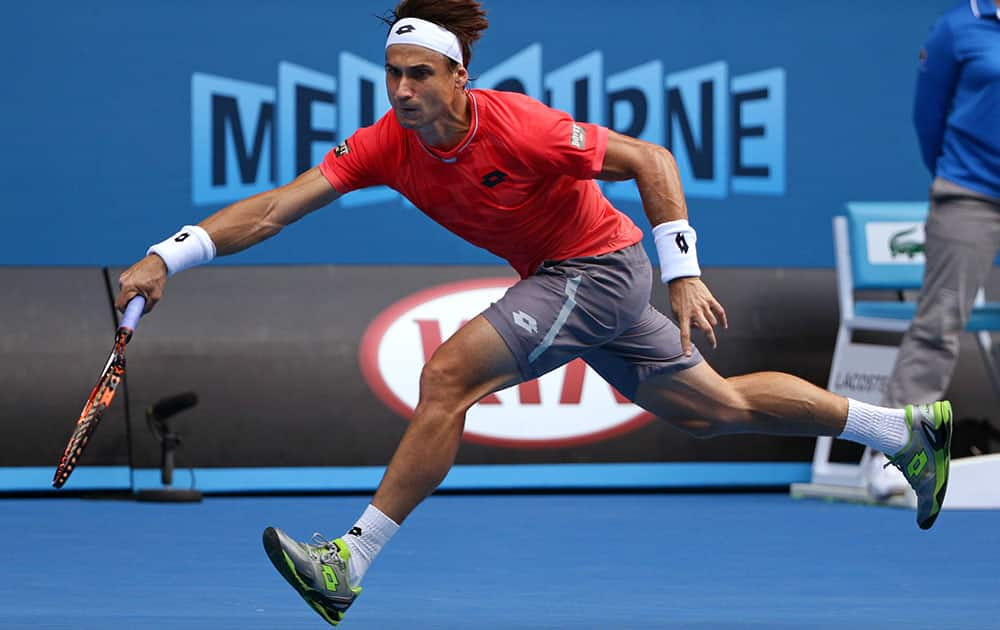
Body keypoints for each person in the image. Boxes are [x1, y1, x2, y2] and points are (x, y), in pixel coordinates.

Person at [115, 0, 954, 625]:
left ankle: (351, 559)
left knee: (446, 376)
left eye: (420, 75)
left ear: (457, 78)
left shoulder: (520, 127)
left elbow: (649, 158)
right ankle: (904, 432)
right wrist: (168, 254)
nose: (402, 90)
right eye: (392, 74)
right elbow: (271, 209)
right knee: (718, 409)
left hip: (595, 267)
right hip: (580, 276)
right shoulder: (383, 145)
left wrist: (684, 273)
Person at [864, 0, 1000, 501]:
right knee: (938, 324)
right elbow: (929, 119)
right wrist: (961, 176)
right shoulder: (958, 28)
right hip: (970, 196)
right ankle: (899, 454)